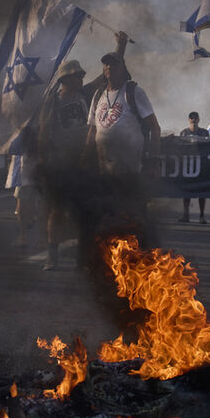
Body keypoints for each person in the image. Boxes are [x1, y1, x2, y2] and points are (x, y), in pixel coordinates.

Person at [82, 48, 162, 259]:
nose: (109, 67)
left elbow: (154, 127)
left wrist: (154, 161)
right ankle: (113, 262)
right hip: (103, 171)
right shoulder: (98, 94)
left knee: (132, 216)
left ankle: (141, 259)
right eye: (106, 64)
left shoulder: (133, 92)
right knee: (106, 217)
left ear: (122, 68)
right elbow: (92, 129)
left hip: (129, 172)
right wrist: (84, 158)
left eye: (114, 64)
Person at [36, 59, 89, 270]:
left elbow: (106, 77)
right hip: (59, 162)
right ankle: (52, 255)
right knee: (56, 211)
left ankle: (81, 257)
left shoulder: (84, 96)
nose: (81, 79)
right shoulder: (53, 101)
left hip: (81, 162)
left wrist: (120, 46)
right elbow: (43, 131)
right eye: (78, 75)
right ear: (66, 79)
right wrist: (42, 161)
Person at [179, 111, 210, 223]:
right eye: (191, 118)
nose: (193, 120)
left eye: (195, 118)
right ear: (189, 120)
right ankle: (185, 214)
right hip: (187, 165)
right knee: (186, 191)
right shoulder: (183, 133)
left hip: (201, 165)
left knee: (202, 191)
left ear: (198, 119)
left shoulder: (204, 133)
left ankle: (202, 215)